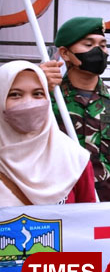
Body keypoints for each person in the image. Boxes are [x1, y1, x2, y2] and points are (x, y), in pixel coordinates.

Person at [40, 17, 110, 211]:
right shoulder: (45, 99)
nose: (99, 51)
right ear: (65, 53)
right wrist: (34, 83)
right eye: (88, 44)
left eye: (103, 45)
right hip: (58, 208)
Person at [1, 61, 96, 206]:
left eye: (38, 94)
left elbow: (89, 220)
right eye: (15, 94)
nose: (28, 103)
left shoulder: (75, 160)